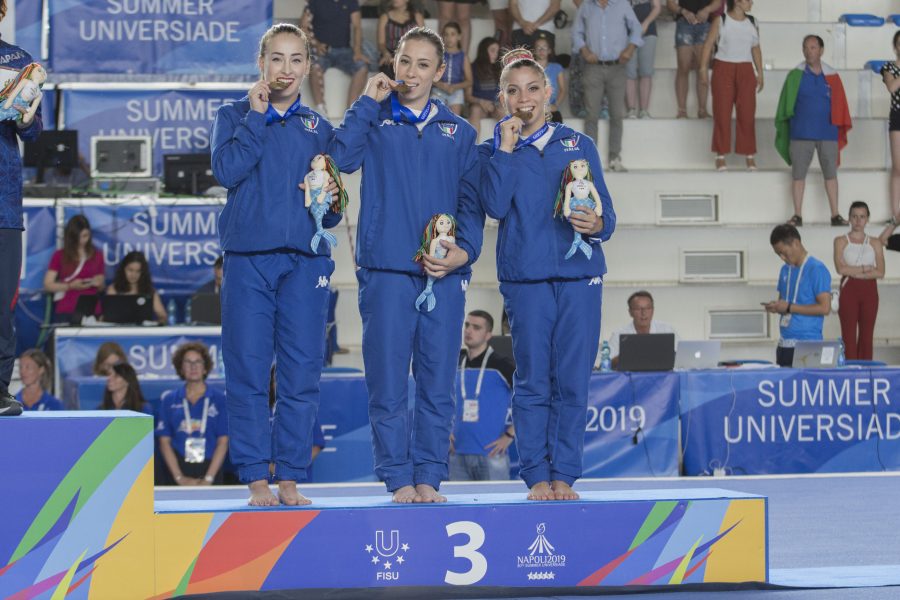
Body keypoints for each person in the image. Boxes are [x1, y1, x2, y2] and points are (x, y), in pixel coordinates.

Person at [329, 27, 484, 503]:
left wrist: (465, 251)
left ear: (440, 71)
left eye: (423, 64)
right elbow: (339, 160)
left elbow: (471, 203)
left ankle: (430, 476)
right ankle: (397, 476)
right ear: (393, 63)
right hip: (386, 273)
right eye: (404, 61)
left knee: (438, 383)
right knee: (388, 383)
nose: (411, 72)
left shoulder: (460, 132)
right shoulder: (374, 119)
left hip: (443, 275)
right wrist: (365, 103)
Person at [210, 24, 341, 506]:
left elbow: (332, 213)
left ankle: (289, 477)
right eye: (277, 59)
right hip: (248, 260)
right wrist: (257, 117)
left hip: (306, 263)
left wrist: (329, 198)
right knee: (246, 370)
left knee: (301, 372)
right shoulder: (233, 115)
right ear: (261, 63)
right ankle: (254, 478)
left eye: (295, 59)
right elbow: (227, 170)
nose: (286, 69)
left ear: (307, 67)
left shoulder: (319, 128)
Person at [479, 48, 616, 500]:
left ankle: (565, 475)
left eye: (533, 88)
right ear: (502, 99)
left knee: (573, 381)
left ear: (549, 92)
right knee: (533, 381)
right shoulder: (495, 150)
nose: (524, 98)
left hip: (580, 279)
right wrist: (504, 149)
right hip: (526, 281)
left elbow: (609, 218)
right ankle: (536, 473)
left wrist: (596, 223)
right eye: (513, 90)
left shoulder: (580, 145)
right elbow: (494, 206)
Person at [1, 0, 44, 416]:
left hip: (4, 207)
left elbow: (34, 131)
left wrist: (26, 118)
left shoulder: (18, 62)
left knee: (1, 304)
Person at [776, 35, 852, 228]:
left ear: (821, 50)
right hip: (801, 132)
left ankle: (835, 215)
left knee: (831, 174)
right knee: (798, 175)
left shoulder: (832, 75)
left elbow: (841, 104)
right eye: (806, 47)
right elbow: (785, 105)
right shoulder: (795, 75)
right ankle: (797, 215)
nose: (809, 51)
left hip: (828, 132)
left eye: (813, 47)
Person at [572, 0, 643, 173]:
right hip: (593, 68)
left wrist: (630, 49)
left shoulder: (622, 5)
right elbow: (576, 32)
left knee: (617, 115)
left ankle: (614, 158)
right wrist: (585, 51)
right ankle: (590, 161)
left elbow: (637, 28)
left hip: (617, 67)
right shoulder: (586, 6)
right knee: (591, 115)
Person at [451, 310, 516, 481]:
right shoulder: (455, 363)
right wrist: (443, 431)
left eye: (476, 327)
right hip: (456, 455)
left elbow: (530, 399)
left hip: (491, 455)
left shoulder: (502, 365)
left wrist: (510, 435)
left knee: (495, 500)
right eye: (467, 325)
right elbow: (440, 400)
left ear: (488, 335)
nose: (468, 330)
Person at [700, 0, 762, 171]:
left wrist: (760, 72)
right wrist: (703, 69)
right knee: (722, 113)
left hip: (745, 69)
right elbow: (708, 44)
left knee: (747, 113)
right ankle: (720, 155)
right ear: (737, 2)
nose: (751, 3)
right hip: (723, 68)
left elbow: (756, 48)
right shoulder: (721, 20)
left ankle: (749, 154)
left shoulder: (753, 22)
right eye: (748, 0)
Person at [156, 342, 229, 486]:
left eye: (198, 362)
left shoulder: (220, 399)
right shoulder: (169, 399)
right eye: (188, 362)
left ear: (205, 367)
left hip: (211, 468)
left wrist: (209, 479)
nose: (193, 366)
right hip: (177, 468)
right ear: (181, 368)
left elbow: (223, 441)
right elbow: (164, 441)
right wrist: (179, 478)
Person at [764, 224, 831, 367]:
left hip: (808, 344)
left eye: (784, 252)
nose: (782, 258)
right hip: (784, 343)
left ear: (796, 243)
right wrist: (777, 307)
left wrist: (789, 307)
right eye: (778, 254)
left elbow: (825, 308)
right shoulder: (785, 270)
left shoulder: (816, 269)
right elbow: (783, 301)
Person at [833, 202, 884, 360]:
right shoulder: (841, 241)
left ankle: (866, 369)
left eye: (862, 217)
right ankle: (850, 369)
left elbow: (880, 272)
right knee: (848, 336)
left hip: (869, 291)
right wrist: (865, 268)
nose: (858, 220)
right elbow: (840, 269)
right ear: (849, 218)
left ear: (867, 219)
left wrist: (853, 271)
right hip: (849, 290)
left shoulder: (875, 242)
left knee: (867, 336)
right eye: (854, 216)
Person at [307, 0, 369, 115]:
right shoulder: (315, 2)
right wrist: (316, 44)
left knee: (362, 67)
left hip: (344, 51)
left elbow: (357, 27)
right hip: (322, 51)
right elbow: (303, 26)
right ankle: (321, 112)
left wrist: (357, 51)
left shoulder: (351, 2)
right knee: (314, 67)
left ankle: (350, 112)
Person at [43, 216, 105, 323]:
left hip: (92, 309)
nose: (82, 241)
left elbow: (101, 287)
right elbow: (48, 285)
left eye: (85, 236)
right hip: (67, 309)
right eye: (78, 237)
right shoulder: (60, 255)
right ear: (71, 237)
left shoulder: (97, 255)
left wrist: (98, 283)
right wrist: (70, 286)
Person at [666, 0, 721, 119]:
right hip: (684, 23)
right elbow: (670, 3)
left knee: (702, 68)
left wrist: (706, 10)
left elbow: (718, 2)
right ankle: (682, 111)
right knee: (683, 67)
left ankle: (702, 110)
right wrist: (683, 11)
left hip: (705, 23)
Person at [606, 290, 677, 369]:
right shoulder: (618, 334)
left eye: (648, 308)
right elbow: (606, 364)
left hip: (663, 376)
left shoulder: (667, 329)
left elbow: (681, 356)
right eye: (638, 309)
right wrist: (626, 356)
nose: (644, 313)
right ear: (630, 312)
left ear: (653, 310)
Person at [106, 251, 167, 325]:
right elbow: (108, 317)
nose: (133, 275)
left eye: (138, 271)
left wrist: (159, 322)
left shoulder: (150, 291)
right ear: (123, 269)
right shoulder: (114, 289)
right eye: (130, 270)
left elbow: (163, 315)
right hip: (119, 331)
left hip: (143, 331)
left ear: (143, 273)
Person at [626, 0, 661, 119]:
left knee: (646, 72)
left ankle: (644, 110)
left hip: (648, 31)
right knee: (629, 72)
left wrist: (646, 23)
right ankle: (631, 110)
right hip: (626, 32)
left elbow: (657, 7)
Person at [880, 31, 900, 225]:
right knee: (898, 167)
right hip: (898, 116)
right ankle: (896, 214)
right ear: (895, 47)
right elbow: (892, 87)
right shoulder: (888, 67)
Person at [377, 0, 424, 79]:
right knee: (388, 68)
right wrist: (386, 53)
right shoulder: (385, 16)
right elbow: (381, 43)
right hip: (391, 53)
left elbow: (423, 40)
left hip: (413, 54)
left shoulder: (417, 16)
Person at [467, 37, 503, 140]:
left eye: (497, 52)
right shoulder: (472, 68)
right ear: (484, 50)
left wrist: (497, 104)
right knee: (475, 110)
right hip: (479, 105)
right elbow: (467, 96)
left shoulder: (499, 69)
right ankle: (473, 146)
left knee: (503, 112)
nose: (495, 55)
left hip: (495, 106)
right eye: (492, 51)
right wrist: (482, 102)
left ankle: (511, 146)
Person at [432, 22, 471, 116]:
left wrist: (454, 87)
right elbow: (429, 76)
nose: (449, 38)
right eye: (446, 34)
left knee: (454, 118)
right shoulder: (438, 55)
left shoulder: (463, 57)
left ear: (459, 36)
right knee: (433, 115)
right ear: (442, 37)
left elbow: (469, 81)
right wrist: (439, 84)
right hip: (438, 89)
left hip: (456, 91)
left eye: (453, 34)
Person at [534, 36, 567, 123]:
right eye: (538, 48)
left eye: (544, 48)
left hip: (551, 108)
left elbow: (563, 90)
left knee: (557, 124)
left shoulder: (557, 67)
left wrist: (555, 105)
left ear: (549, 50)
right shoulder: (529, 68)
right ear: (534, 51)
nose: (541, 51)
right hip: (533, 109)